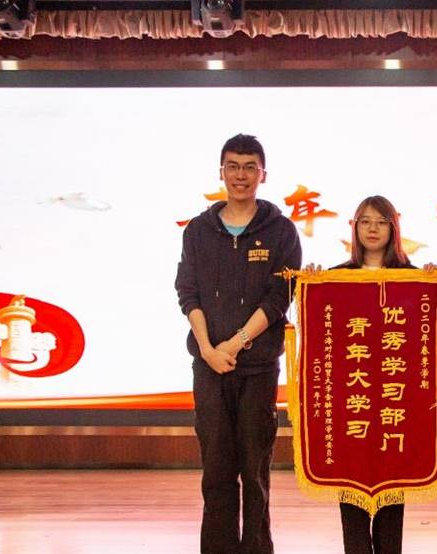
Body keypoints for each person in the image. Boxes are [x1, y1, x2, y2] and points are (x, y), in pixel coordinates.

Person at [175, 133, 302, 554]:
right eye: (233, 166)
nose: (241, 175)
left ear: (263, 175)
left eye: (250, 167)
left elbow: (279, 297)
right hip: (208, 367)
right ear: (221, 172)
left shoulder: (281, 231)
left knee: (255, 471)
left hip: (258, 368)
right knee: (216, 472)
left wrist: (235, 343)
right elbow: (188, 293)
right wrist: (209, 349)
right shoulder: (199, 230)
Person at [306, 195, 433, 554]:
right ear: (355, 228)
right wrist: (312, 285)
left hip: (394, 398)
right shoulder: (336, 277)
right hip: (353, 398)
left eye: (381, 222)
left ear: (394, 229)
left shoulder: (410, 276)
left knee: (392, 486)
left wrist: (430, 283)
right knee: (352, 487)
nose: (373, 229)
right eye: (365, 221)